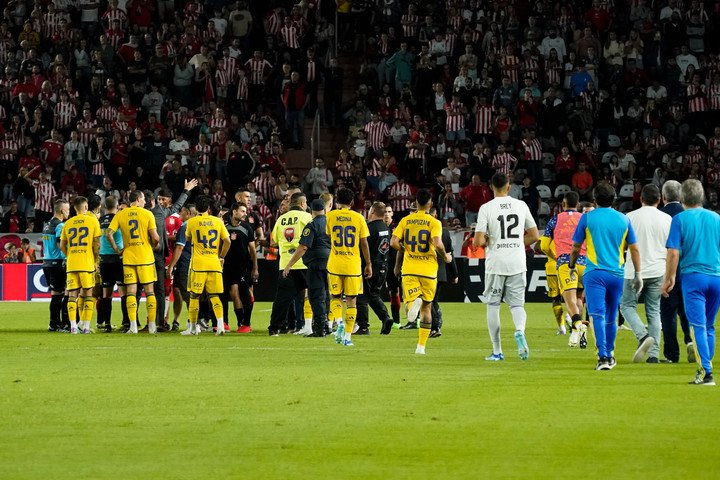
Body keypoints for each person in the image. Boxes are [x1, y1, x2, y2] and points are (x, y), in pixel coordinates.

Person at [570, 183, 643, 371]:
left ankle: (602, 357)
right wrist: (638, 273)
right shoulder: (624, 219)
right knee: (611, 316)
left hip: (594, 273)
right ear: (615, 199)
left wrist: (571, 265)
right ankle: (610, 354)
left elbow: (576, 246)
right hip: (617, 274)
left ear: (594, 199)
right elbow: (634, 248)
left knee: (597, 315)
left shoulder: (587, 218)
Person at [473, 172, 540, 361]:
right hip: (517, 262)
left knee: (493, 306)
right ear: (509, 187)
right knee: (517, 305)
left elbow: (478, 241)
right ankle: (519, 331)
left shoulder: (486, 208)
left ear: (491, 187)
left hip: (496, 264)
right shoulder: (521, 205)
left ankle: (497, 351)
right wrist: (517, 242)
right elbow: (534, 236)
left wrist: (490, 240)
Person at [661, 179, 720, 386]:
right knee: (709, 326)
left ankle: (707, 373)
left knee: (697, 327)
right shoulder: (716, 218)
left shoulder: (679, 219)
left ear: (683, 197)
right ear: (702, 196)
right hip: (716, 277)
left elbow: (673, 252)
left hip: (694, 278)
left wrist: (669, 278)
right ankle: (705, 367)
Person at [391, 189, 451, 354]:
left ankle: (413, 302)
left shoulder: (406, 220)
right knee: (427, 307)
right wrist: (446, 257)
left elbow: (393, 242)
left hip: (410, 268)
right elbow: (437, 243)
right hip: (429, 270)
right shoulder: (434, 222)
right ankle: (421, 347)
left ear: (416, 203)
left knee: (410, 303)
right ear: (430, 204)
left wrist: (404, 249)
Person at [619, 184, 671, 364]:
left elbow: (623, 245)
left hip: (634, 270)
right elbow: (670, 248)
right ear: (659, 200)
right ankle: (654, 355)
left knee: (626, 306)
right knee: (654, 311)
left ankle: (642, 336)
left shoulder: (629, 217)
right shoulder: (667, 219)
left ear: (640, 199)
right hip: (658, 270)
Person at [106, 190, 160, 334]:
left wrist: (118, 249)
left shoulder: (121, 214)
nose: (144, 201)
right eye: (143, 199)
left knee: (131, 292)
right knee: (150, 292)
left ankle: (133, 326)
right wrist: (151, 247)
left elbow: (108, 234)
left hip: (129, 258)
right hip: (145, 258)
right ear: (137, 198)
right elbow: (156, 238)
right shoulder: (148, 214)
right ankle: (152, 326)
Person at [326, 187, 372, 347]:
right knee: (352, 301)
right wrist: (369, 264)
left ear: (337, 201)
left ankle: (338, 321)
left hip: (335, 264)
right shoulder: (359, 218)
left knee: (335, 296)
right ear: (352, 202)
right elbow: (364, 243)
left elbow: (328, 236)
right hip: (353, 265)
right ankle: (347, 337)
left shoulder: (330, 216)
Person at [541, 192, 588, 348]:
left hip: (566, 264)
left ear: (563, 203)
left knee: (570, 301)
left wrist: (555, 257)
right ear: (578, 204)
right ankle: (576, 334)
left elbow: (543, 246)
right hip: (585, 263)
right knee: (580, 298)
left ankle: (578, 325)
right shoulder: (585, 218)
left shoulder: (555, 219)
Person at [181, 195, 231, 336]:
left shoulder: (192, 222)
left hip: (198, 264)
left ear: (196, 208)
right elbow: (227, 241)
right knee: (214, 296)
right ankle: (220, 326)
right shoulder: (218, 221)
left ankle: (192, 329)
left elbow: (189, 238)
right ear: (209, 208)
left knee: (194, 296)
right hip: (214, 263)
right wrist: (221, 256)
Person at [283, 198, 331, 337]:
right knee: (326, 295)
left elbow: (303, 246)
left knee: (316, 295)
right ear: (324, 209)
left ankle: (319, 328)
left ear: (311, 210)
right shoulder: (329, 224)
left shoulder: (312, 225)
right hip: (330, 262)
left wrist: (289, 264)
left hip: (315, 263)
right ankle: (327, 325)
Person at [267, 192, 312, 336]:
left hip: (286, 264)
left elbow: (273, 242)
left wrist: (287, 244)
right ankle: (319, 325)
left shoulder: (281, 219)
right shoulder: (307, 217)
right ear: (302, 204)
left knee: (282, 299)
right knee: (314, 296)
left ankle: (274, 328)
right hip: (305, 263)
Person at [659, 180, 694, 363]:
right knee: (687, 310)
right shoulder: (688, 215)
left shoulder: (660, 215)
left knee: (668, 313)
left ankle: (671, 355)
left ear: (663, 197)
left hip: (667, 271)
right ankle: (690, 341)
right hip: (688, 270)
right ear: (680, 196)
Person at [59, 196, 102, 334]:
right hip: (87, 263)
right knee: (88, 294)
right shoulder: (92, 221)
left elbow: (62, 245)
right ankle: (86, 327)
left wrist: (69, 255)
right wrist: (95, 259)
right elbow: (96, 244)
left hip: (72, 264)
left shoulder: (67, 223)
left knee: (72, 295)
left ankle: (73, 326)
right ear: (85, 207)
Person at [356, 201, 394, 335]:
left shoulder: (369, 228)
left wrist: (367, 264)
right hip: (383, 265)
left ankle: (363, 327)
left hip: (370, 266)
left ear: (371, 211)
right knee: (374, 295)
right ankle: (385, 318)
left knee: (361, 296)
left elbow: (363, 247)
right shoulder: (385, 228)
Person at [223, 202, 258, 333]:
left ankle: (246, 324)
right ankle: (225, 322)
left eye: (245, 211)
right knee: (225, 294)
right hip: (226, 266)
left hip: (243, 267)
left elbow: (253, 250)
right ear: (234, 211)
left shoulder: (247, 228)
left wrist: (255, 268)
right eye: (242, 211)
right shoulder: (224, 226)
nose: (245, 214)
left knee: (245, 295)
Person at [97, 195, 126, 332]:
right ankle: (126, 322)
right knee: (123, 292)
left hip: (104, 259)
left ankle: (107, 324)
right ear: (117, 205)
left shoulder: (99, 221)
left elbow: (97, 241)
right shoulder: (119, 219)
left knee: (106, 294)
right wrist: (118, 249)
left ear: (104, 207)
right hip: (118, 258)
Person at [429, 206, 458, 338]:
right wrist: (454, 274)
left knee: (428, 301)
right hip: (440, 272)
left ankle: (435, 326)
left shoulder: (420, 229)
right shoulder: (444, 232)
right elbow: (450, 255)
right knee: (432, 300)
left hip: (427, 271)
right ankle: (436, 319)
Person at [167, 204, 197, 329]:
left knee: (186, 293)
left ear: (189, 213)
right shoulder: (194, 225)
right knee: (178, 290)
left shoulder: (185, 226)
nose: (180, 214)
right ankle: (179, 322)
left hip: (186, 264)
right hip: (187, 263)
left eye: (183, 212)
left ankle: (194, 323)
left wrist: (170, 266)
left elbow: (179, 247)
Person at [42, 199, 70, 332]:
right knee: (63, 294)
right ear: (62, 211)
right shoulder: (60, 226)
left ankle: (53, 323)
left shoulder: (47, 224)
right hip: (58, 263)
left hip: (46, 263)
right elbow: (60, 244)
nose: (69, 212)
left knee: (55, 295)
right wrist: (69, 255)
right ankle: (62, 324)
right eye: (68, 210)